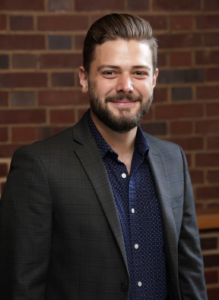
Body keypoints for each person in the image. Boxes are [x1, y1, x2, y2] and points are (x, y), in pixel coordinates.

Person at [0, 13, 207, 300]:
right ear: (85, 78)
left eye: (139, 72)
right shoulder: (39, 167)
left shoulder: (173, 159)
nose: (126, 86)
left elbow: (190, 277)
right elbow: (21, 289)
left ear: (154, 79)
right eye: (110, 72)